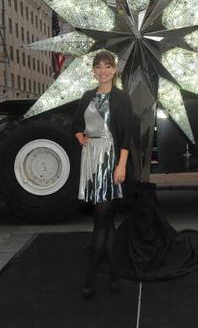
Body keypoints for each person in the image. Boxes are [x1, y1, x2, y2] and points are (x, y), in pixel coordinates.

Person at [72, 50, 132, 299]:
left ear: (114, 69)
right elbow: (75, 123)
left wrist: (121, 165)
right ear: (93, 70)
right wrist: (79, 136)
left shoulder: (120, 98)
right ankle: (115, 275)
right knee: (107, 222)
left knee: (101, 220)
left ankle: (90, 276)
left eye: (108, 66)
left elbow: (127, 134)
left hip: (110, 159)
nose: (103, 71)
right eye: (99, 67)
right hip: (91, 161)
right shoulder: (87, 96)